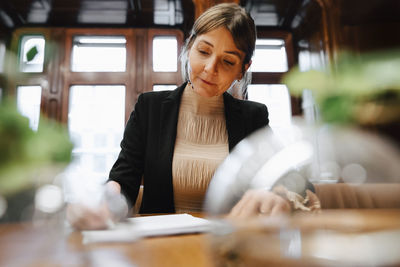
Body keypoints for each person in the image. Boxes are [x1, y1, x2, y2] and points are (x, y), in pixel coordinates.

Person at [67, 3, 318, 230]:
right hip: (159, 245)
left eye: (228, 62)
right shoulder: (150, 107)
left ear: (243, 70)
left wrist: (279, 195)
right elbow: (123, 179)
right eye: (204, 51)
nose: (210, 69)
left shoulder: (252, 116)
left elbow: (298, 185)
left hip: (227, 243)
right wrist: (104, 201)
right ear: (189, 47)